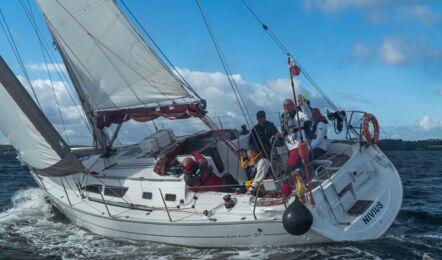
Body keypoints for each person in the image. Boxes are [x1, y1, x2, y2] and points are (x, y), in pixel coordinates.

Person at [280, 95, 312, 173]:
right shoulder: (284, 118)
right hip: (290, 148)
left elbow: (308, 116)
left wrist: (303, 105)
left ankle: (286, 184)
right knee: (298, 168)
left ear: (293, 106)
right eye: (285, 105)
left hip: (299, 146)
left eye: (288, 105)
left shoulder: (298, 114)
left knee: (290, 168)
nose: (286, 107)